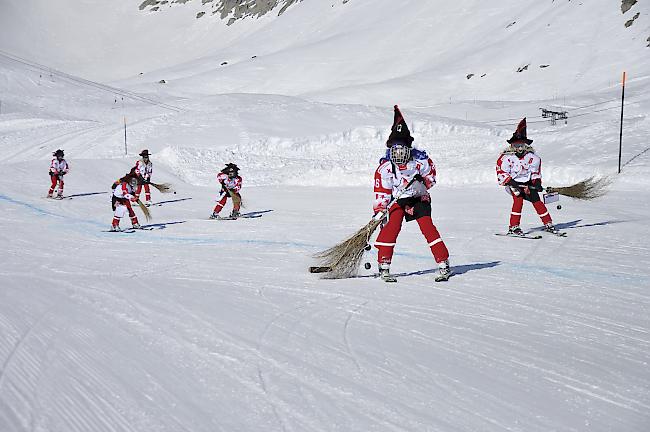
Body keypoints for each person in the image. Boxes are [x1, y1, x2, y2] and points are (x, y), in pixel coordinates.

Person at [373, 105, 451, 282]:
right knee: (391, 228)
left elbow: (430, 180)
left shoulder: (421, 162)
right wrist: (380, 210)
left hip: (418, 198)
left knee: (427, 227)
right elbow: (382, 191)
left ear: (408, 147)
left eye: (402, 148)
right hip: (397, 201)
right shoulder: (385, 168)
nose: (399, 152)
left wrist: (422, 183)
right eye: (395, 148)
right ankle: (383, 265)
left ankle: (443, 262)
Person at [496, 118, 558, 235]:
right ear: (512, 145)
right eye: (516, 145)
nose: (519, 148)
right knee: (518, 201)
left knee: (537, 201)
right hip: (514, 183)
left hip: (527, 183)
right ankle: (514, 226)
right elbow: (501, 172)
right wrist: (511, 181)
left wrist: (537, 183)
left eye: (521, 145)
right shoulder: (506, 158)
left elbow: (535, 172)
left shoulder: (533, 158)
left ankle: (548, 223)